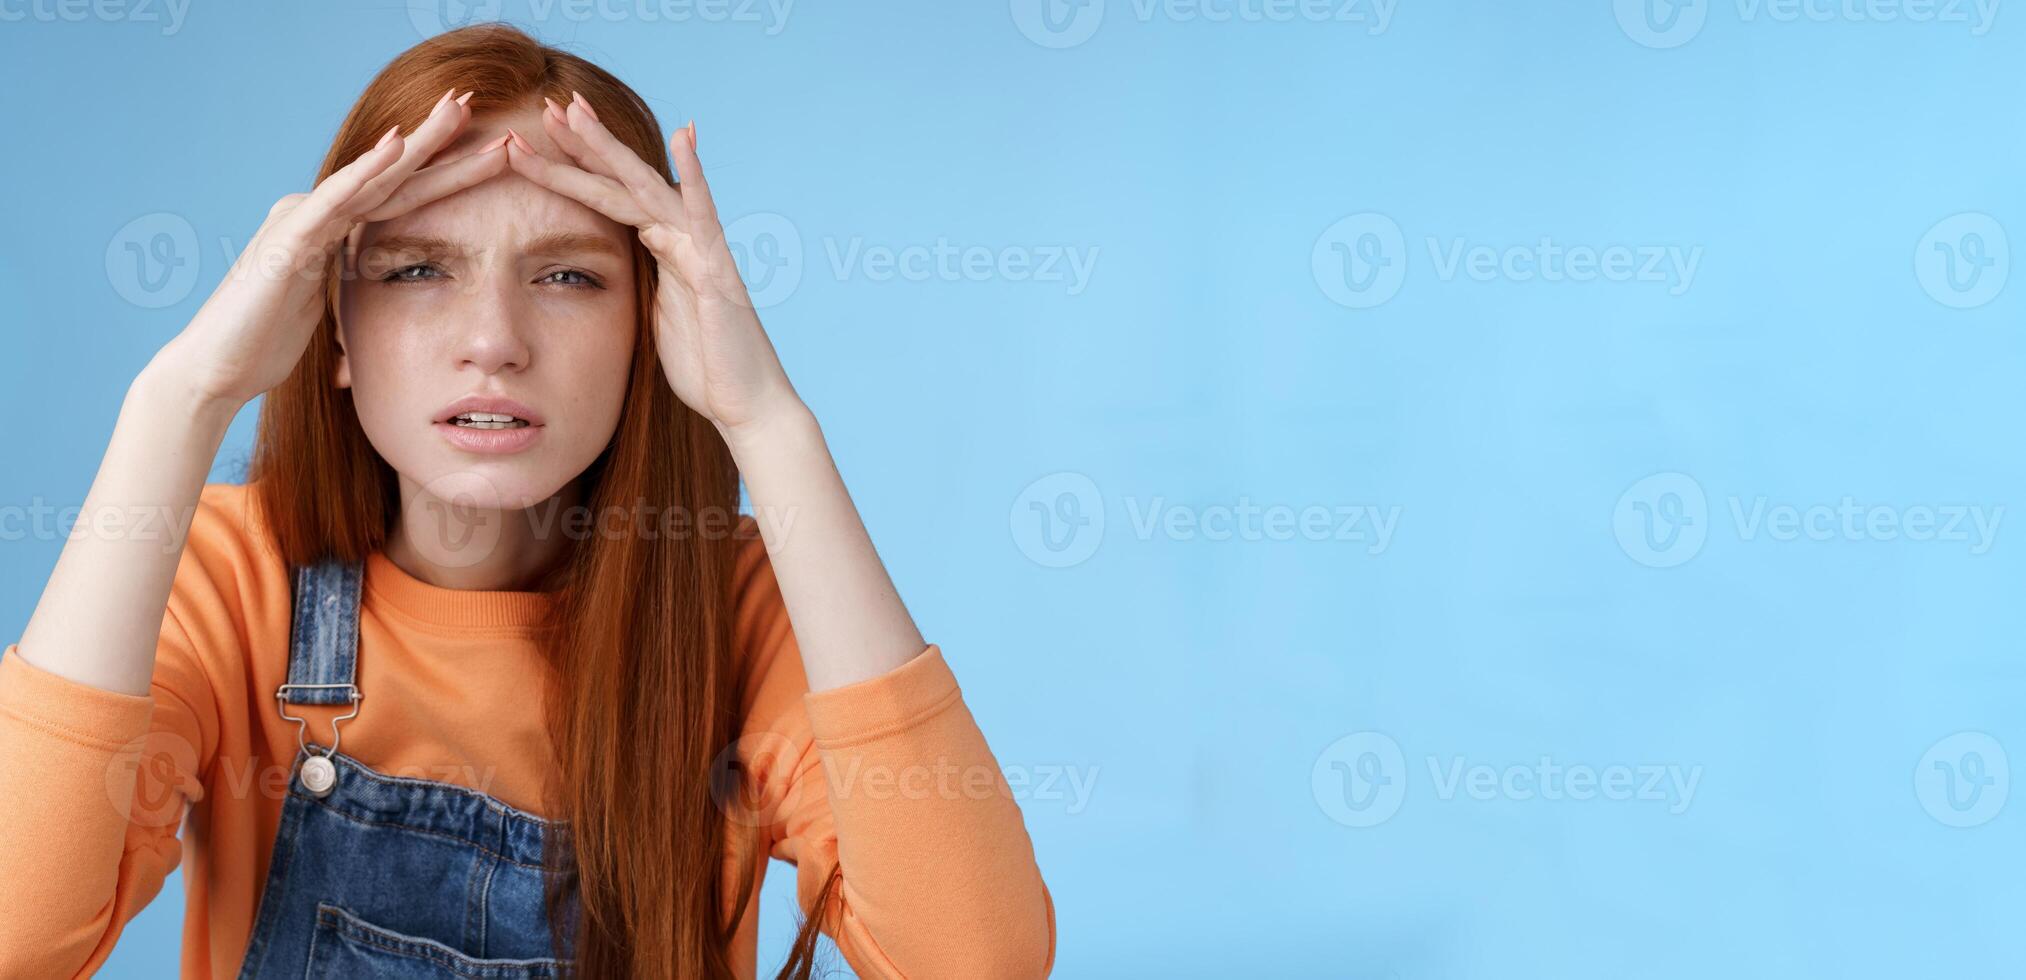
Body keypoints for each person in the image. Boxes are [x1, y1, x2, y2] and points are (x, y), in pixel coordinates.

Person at [0, 23, 1054, 979]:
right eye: (418, 269)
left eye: (567, 277)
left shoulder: (740, 608)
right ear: (331, 328)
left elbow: (977, 961)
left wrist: (768, 422)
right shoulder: (231, 580)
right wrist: (176, 401)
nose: (494, 339)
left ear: (655, 327)